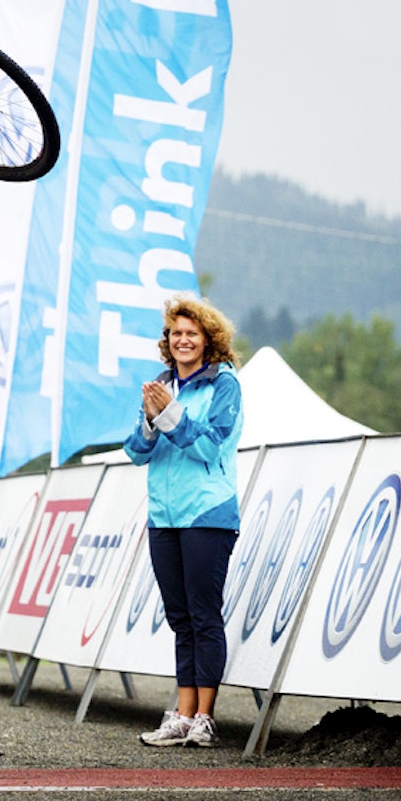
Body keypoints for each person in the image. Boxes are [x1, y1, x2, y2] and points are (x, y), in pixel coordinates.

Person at [124, 295, 243, 749]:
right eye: (176, 333)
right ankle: (182, 712)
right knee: (180, 618)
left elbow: (211, 446)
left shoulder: (225, 384)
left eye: (192, 333)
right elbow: (136, 451)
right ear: (167, 341)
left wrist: (170, 414)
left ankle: (204, 718)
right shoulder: (160, 383)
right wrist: (153, 420)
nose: (183, 340)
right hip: (164, 514)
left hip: (207, 514)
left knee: (203, 614)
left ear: (208, 339)